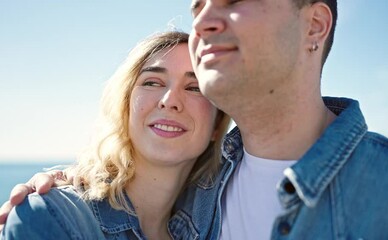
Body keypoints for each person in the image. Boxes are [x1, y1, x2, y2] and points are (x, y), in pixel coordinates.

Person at [2, 0, 388, 239]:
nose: (202, 19)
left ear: (314, 25)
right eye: (199, 5)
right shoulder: (202, 196)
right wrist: (60, 196)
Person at [0, 31, 230, 239]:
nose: (170, 101)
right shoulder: (52, 218)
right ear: (124, 106)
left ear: (217, 125)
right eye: (152, 82)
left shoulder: (219, 225)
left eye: (194, 87)